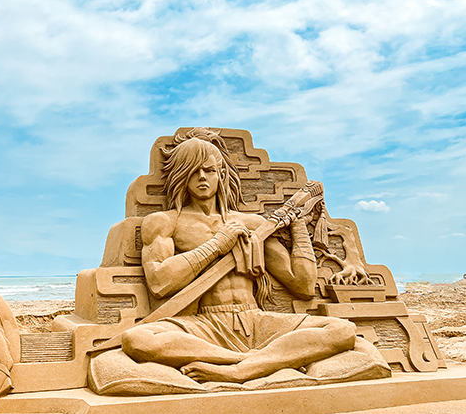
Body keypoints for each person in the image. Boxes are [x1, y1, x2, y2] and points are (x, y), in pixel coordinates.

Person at [120, 128, 356, 383]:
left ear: (220, 174)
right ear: (182, 176)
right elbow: (159, 282)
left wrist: (297, 225)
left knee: (341, 330)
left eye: (209, 170)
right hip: (203, 326)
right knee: (138, 339)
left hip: (256, 320)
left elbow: (303, 285)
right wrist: (218, 244)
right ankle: (250, 361)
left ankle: (241, 370)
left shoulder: (252, 224)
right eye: (193, 171)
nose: (202, 177)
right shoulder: (165, 222)